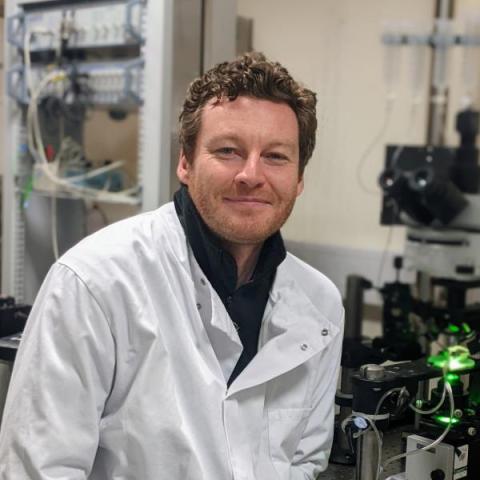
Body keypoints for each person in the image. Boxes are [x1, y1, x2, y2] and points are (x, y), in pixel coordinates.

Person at [0, 52, 344, 480]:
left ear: (299, 178)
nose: (251, 174)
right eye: (228, 151)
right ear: (185, 162)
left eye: (275, 156)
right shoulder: (94, 282)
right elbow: (40, 470)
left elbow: (303, 464)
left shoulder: (320, 305)